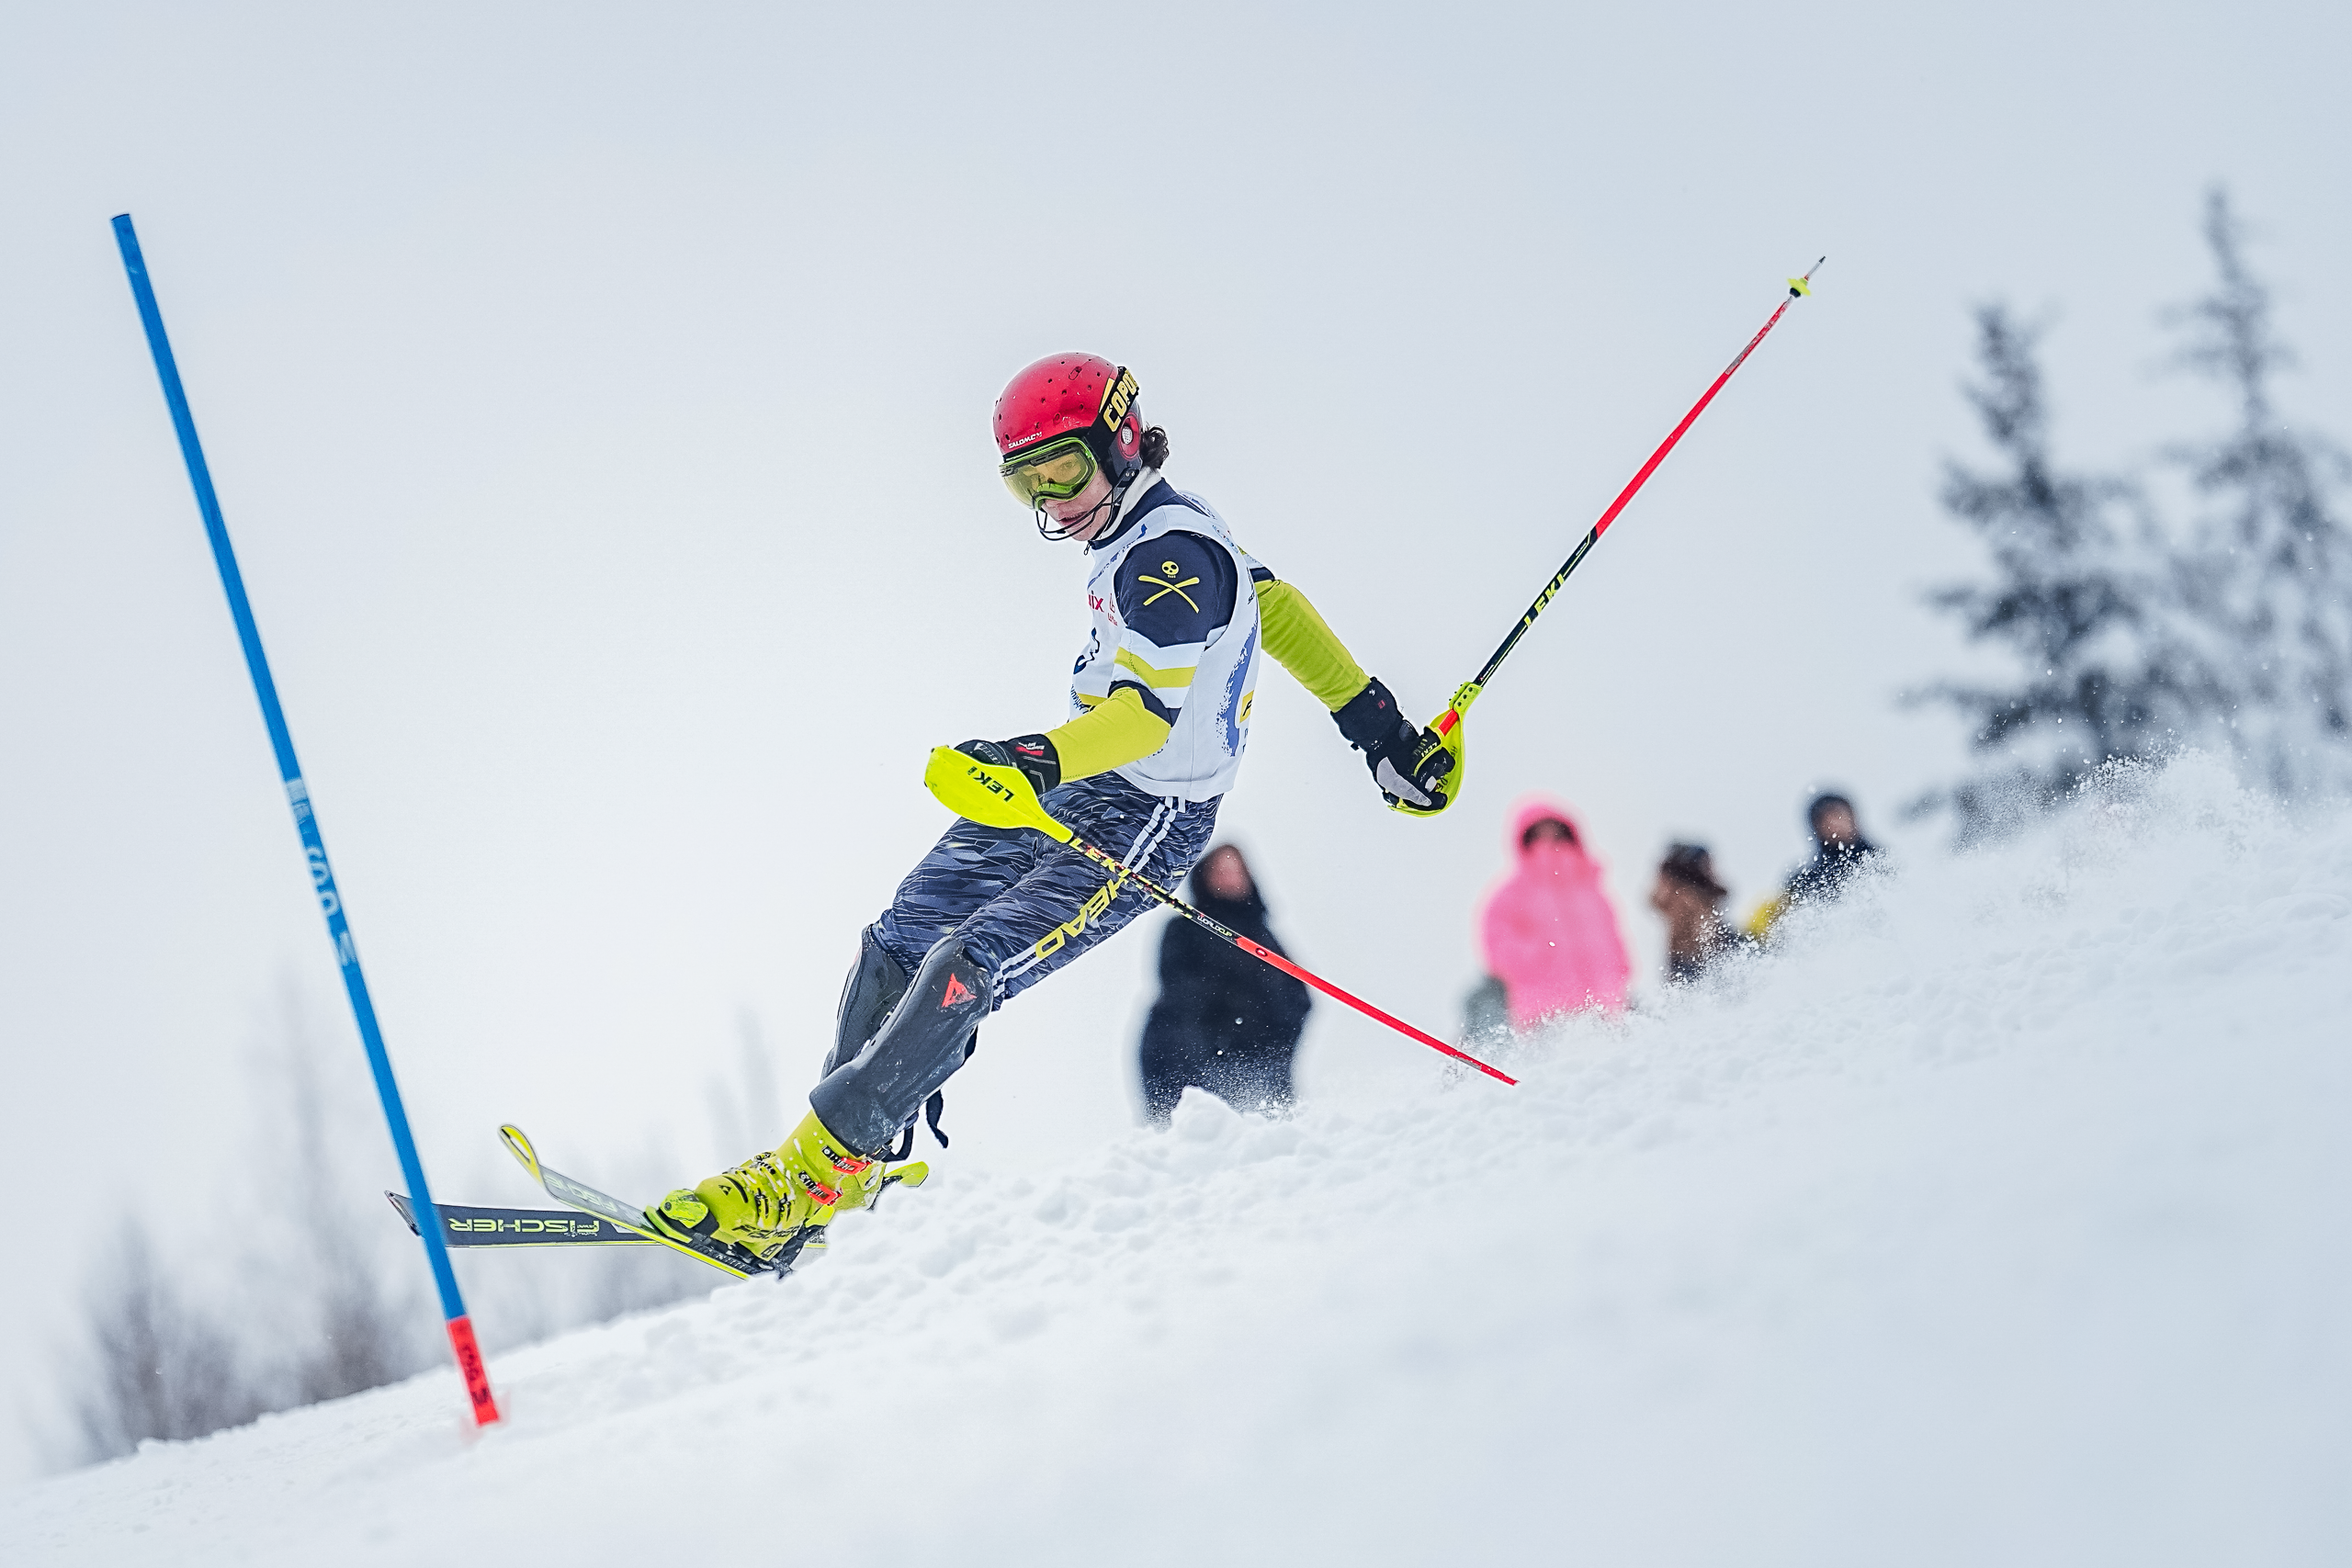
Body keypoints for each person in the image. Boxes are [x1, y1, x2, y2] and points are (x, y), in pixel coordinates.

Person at [645, 355, 1460, 1267]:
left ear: (1118, 442)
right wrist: (1379, 728)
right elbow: (1274, 608)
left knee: (968, 961)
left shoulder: (1166, 557)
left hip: (1146, 814)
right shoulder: (1156, 527)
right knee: (901, 935)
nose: (1053, 504)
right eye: (1025, 483)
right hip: (1080, 782)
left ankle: (809, 1178)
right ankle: (850, 1162)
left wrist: (1038, 757)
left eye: (1063, 472)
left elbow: (1142, 718)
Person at [1136, 844, 1311, 1124]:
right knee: (1198, 1145)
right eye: (1221, 870)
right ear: (1204, 877)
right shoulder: (1185, 928)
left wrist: (1274, 1039)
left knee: (1272, 1145)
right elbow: (1180, 993)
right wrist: (1232, 1019)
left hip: (1260, 1063)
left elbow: (1298, 997)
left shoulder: (1262, 935)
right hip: (1189, 1062)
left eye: (1236, 870)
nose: (1229, 877)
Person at [1476, 796, 1632, 1031]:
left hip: (1606, 1008)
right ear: (1526, 839)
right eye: (1540, 834)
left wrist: (1620, 970)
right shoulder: (1513, 892)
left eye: (1557, 833)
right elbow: (1496, 943)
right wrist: (1537, 956)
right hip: (1545, 1014)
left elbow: (1614, 938)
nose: (1550, 841)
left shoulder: (1591, 889)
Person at [1747, 791, 1881, 939]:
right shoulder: (1804, 880)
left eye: (1838, 815)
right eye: (1826, 820)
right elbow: (1770, 925)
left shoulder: (1883, 864)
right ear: (1816, 828)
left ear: (1853, 817)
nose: (1834, 824)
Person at [1648, 841, 1741, 983]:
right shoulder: (1685, 896)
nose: (1711, 868)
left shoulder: (1702, 892)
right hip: (1691, 961)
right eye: (1706, 863)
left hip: (1692, 960)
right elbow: (1705, 934)